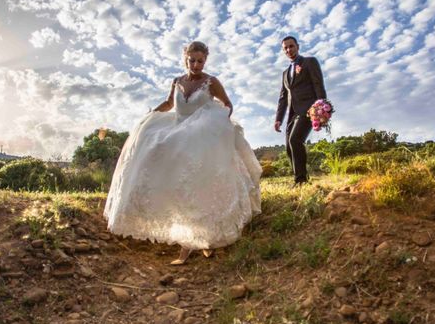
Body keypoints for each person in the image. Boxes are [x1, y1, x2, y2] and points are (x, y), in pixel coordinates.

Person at [104, 41, 261, 265]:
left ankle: (196, 245)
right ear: (184, 59)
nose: (196, 64)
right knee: (157, 154)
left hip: (200, 141)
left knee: (197, 188)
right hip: (177, 131)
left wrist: (214, 127)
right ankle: (193, 238)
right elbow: (169, 103)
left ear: (205, 61)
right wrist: (150, 115)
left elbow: (227, 105)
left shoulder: (211, 82)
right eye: (192, 60)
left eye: (200, 61)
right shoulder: (177, 82)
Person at [274, 36, 327, 186]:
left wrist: (322, 107)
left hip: (310, 109)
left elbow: (318, 84)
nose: (289, 50)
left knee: (295, 140)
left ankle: (301, 181)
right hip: (293, 113)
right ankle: (301, 176)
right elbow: (283, 97)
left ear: (297, 46)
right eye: (286, 48)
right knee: (288, 147)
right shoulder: (285, 73)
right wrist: (279, 119)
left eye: (291, 46)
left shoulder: (309, 62)